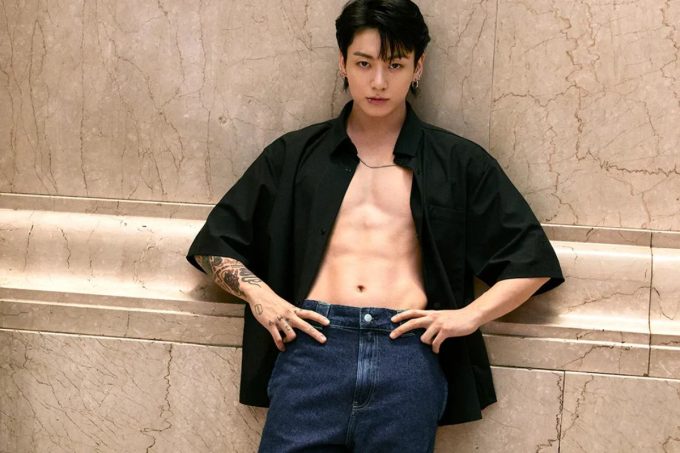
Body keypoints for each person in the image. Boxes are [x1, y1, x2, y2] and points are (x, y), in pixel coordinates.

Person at [186, 0, 564, 451]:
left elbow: (531, 261)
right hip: (313, 349)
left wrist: (468, 317)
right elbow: (215, 244)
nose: (379, 81)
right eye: (364, 63)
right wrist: (261, 298)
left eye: (395, 65)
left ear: (418, 67)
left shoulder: (458, 162)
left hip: (406, 355)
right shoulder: (295, 155)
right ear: (342, 63)